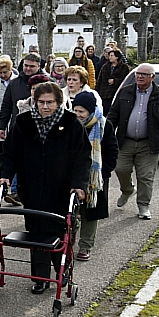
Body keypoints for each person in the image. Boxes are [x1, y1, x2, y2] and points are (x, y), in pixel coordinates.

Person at [0, 83, 91, 293]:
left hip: (61, 189)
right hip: (31, 187)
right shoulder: (23, 122)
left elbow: (81, 158)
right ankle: (40, 278)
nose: (45, 107)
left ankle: (62, 271)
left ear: (59, 102)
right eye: (41, 102)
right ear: (35, 102)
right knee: (36, 233)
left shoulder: (71, 123)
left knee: (58, 231)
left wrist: (78, 185)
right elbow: (10, 153)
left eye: (50, 102)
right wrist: (5, 176)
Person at [107, 63, 159, 220]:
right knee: (120, 169)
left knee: (145, 176)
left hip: (149, 144)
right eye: (138, 73)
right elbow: (114, 113)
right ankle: (127, 190)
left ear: (153, 77)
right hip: (125, 141)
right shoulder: (126, 92)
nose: (139, 76)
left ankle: (143, 205)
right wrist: (108, 132)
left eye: (144, 74)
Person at [71, 91, 119, 262]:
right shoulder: (69, 125)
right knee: (70, 210)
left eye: (81, 111)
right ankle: (69, 239)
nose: (77, 114)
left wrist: (103, 173)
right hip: (73, 175)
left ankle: (85, 245)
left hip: (95, 179)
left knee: (90, 212)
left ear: (90, 111)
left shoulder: (104, 125)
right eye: (75, 110)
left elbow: (112, 152)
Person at [0, 52, 42, 141]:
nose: (28, 68)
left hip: (40, 129)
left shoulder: (48, 83)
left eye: (32, 66)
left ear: (39, 66)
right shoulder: (14, 83)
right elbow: (6, 106)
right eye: (26, 65)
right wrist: (2, 126)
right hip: (17, 128)